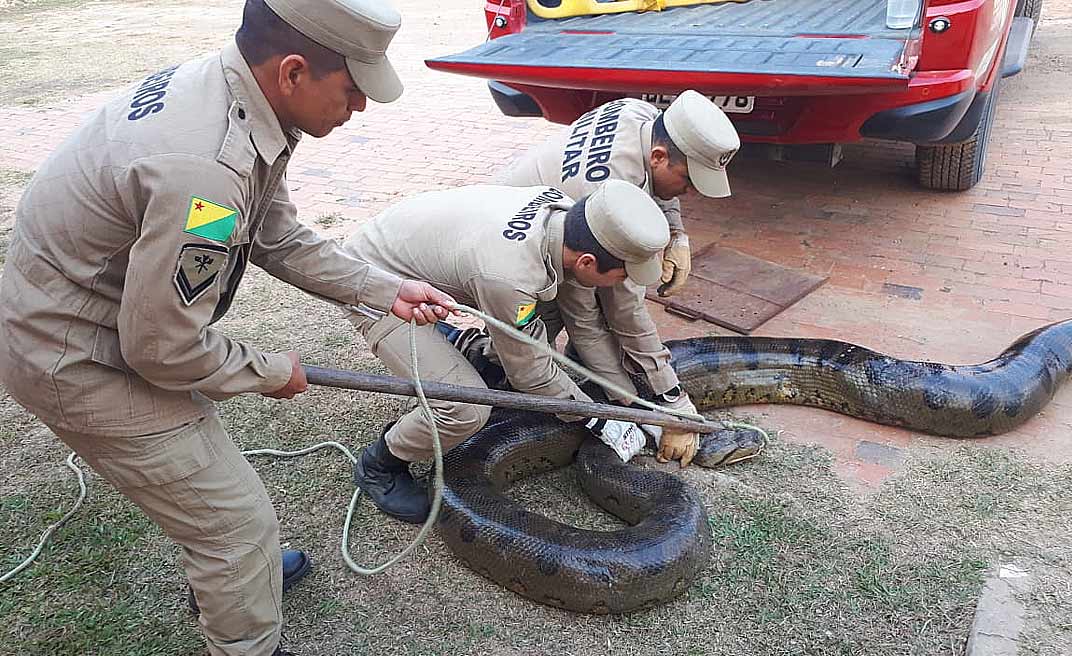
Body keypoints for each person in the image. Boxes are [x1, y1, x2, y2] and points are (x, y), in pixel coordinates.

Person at [0, 1, 454, 655]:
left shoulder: (240, 97)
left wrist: (387, 290)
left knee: (215, 502)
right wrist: (271, 372)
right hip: (72, 356)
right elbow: (162, 347)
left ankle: (230, 582)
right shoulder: (207, 171)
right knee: (237, 524)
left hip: (105, 325)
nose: (360, 108)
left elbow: (276, 234)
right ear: (295, 71)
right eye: (352, 91)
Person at [343, 180, 674, 523]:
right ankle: (380, 464)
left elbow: (584, 325)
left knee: (542, 320)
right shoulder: (510, 276)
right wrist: (597, 418)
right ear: (589, 262)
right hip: (373, 283)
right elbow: (530, 371)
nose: (624, 283)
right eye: (623, 275)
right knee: (467, 406)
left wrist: (630, 402)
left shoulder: (569, 219)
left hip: (413, 251)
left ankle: (480, 363)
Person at [491, 91, 741, 468]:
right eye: (690, 181)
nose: (691, 192)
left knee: (590, 320)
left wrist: (676, 234)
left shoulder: (639, 113)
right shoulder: (601, 202)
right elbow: (614, 314)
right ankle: (491, 372)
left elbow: (658, 178)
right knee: (541, 330)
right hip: (509, 249)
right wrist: (665, 406)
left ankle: (580, 375)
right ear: (659, 156)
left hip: (537, 218)